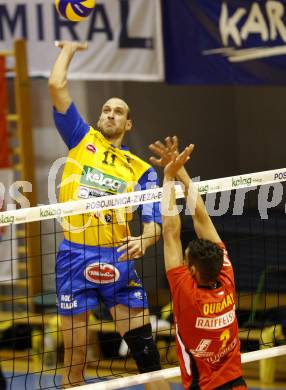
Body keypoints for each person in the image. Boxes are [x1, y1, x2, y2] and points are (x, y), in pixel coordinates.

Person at [48, 41, 169, 389]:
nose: (111, 113)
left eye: (118, 111)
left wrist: (145, 240)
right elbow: (56, 86)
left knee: (148, 358)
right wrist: (68, 50)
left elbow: (154, 222)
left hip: (117, 260)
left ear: (128, 124)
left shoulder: (142, 169)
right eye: (106, 109)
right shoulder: (80, 138)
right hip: (74, 258)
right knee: (75, 359)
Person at [149, 137, 247, 390]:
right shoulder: (226, 274)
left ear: (191, 270)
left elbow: (170, 232)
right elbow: (201, 217)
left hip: (201, 385)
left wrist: (169, 176)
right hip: (236, 382)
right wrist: (179, 169)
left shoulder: (187, 294)